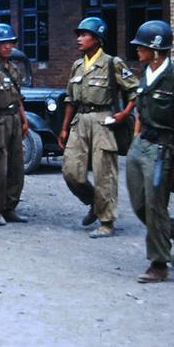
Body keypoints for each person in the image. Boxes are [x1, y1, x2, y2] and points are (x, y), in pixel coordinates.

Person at [125, 20, 174, 283]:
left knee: (156, 205)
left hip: (163, 148)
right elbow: (140, 108)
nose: (137, 50)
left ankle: (158, 264)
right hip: (141, 145)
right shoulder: (145, 72)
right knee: (139, 204)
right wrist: (135, 137)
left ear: (155, 50)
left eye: (142, 46)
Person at [58, 17, 138, 238]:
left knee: (105, 173)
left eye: (84, 34)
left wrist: (124, 114)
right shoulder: (77, 65)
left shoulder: (113, 63)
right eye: (79, 35)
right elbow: (70, 100)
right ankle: (94, 202)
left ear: (97, 38)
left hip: (104, 120)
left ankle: (106, 221)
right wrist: (64, 128)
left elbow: (134, 91)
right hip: (80, 120)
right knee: (71, 172)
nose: (79, 39)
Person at [0, 23, 29, 225]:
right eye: (3, 43)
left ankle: (11, 206)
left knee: (17, 167)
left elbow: (18, 97)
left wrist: (24, 118)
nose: (8, 47)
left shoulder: (13, 68)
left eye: (10, 43)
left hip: (14, 119)